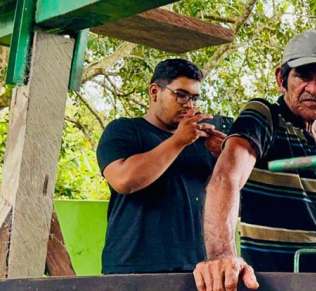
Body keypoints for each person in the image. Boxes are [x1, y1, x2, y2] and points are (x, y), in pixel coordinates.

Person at [193, 30, 316, 291]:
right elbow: (226, 178)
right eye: (304, 76)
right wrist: (222, 255)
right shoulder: (264, 117)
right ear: (281, 78)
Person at [96, 59, 225, 274]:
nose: (189, 104)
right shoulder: (125, 130)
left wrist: (225, 157)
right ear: (154, 92)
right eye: (181, 95)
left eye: (194, 98)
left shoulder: (203, 141)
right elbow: (123, 180)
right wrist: (178, 141)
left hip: (197, 269)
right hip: (133, 267)